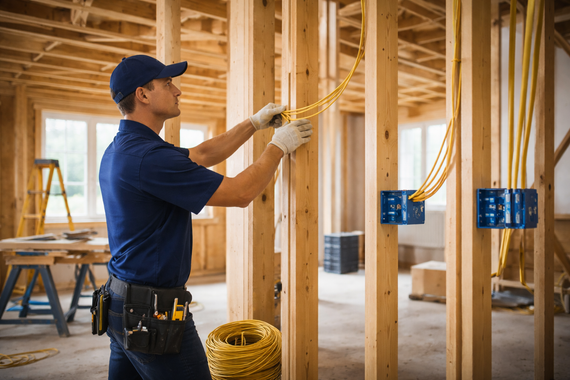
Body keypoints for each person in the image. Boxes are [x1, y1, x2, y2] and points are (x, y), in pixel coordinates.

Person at [99, 55, 312, 379]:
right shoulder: (149, 159)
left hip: (119, 302)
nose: (177, 90)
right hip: (151, 312)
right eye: (167, 83)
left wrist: (253, 123)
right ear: (142, 94)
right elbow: (241, 193)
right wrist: (277, 147)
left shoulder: (123, 148)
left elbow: (201, 154)